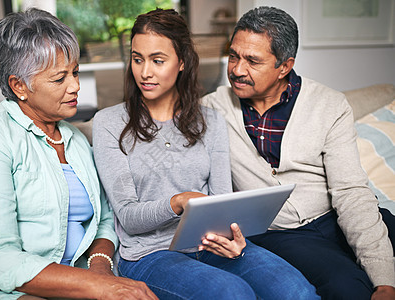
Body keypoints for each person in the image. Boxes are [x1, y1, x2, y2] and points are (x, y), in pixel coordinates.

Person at [93, 8, 318, 300]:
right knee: (232, 293)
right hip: (148, 255)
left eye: (158, 60)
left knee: (298, 291)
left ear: (182, 62)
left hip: (210, 244)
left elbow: (222, 203)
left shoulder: (211, 121)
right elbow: (128, 217)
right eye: (138, 59)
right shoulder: (110, 123)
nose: (145, 72)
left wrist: (235, 239)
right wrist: (178, 201)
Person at [0, 8, 157, 300]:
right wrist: (95, 286)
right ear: (19, 85)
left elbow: (105, 220)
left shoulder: (75, 140)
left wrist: (100, 271)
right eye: (60, 79)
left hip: (75, 279)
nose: (76, 86)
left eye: (75, 72)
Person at [202, 6, 395, 300]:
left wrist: (385, 281)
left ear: (285, 66)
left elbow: (350, 191)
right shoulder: (212, 109)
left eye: (253, 61)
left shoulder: (329, 105)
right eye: (234, 55)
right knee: (347, 286)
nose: (237, 70)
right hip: (282, 233)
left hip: (337, 214)